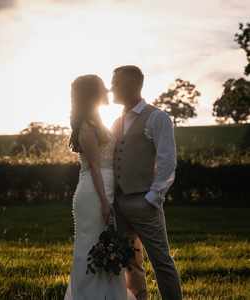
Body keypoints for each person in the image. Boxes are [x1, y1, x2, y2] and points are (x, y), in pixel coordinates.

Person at [111, 65, 183, 300]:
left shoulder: (157, 117)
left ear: (132, 84)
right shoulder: (117, 121)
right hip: (120, 205)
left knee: (162, 262)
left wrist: (153, 197)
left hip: (144, 202)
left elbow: (167, 161)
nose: (112, 88)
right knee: (130, 262)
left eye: (117, 83)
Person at [64, 74, 136, 300]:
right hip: (94, 193)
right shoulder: (86, 126)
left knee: (106, 244)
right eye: (103, 88)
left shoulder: (98, 121)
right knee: (91, 247)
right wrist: (105, 202)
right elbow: (95, 167)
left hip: (105, 189)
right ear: (93, 94)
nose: (107, 91)